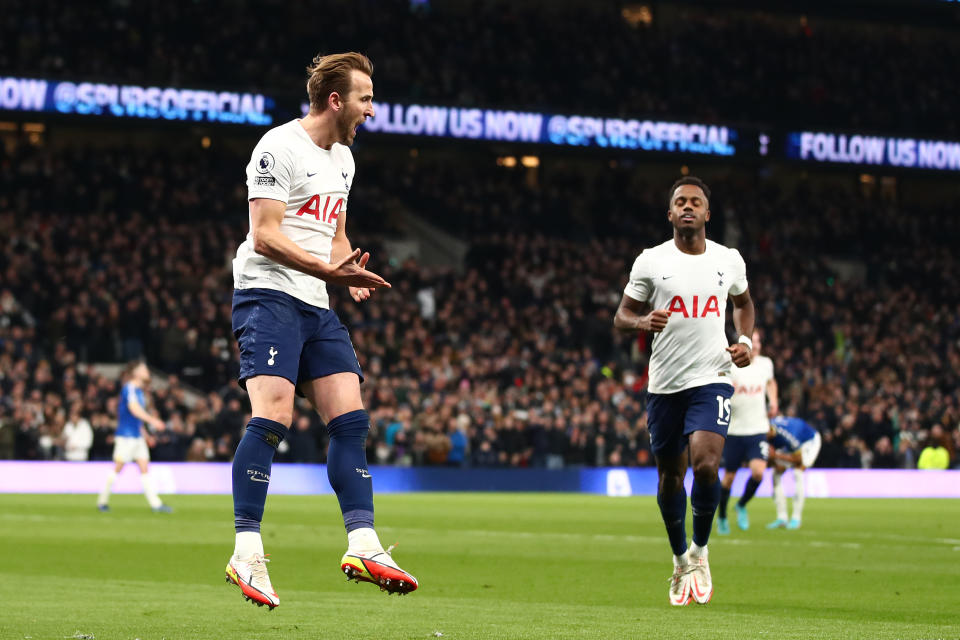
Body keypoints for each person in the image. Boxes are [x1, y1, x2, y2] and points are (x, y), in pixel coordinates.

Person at [225, 52, 416, 611]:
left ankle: (364, 543)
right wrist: (328, 271)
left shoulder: (344, 160)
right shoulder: (277, 147)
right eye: (365, 98)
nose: (371, 110)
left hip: (315, 299)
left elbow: (332, 231)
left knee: (351, 420)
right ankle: (247, 550)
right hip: (267, 294)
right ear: (336, 101)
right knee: (273, 417)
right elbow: (264, 235)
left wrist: (345, 269)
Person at [614, 176, 754, 606]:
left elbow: (743, 304)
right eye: (680, 202)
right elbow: (622, 315)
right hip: (664, 384)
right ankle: (679, 558)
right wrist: (642, 323)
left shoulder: (728, 259)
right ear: (670, 213)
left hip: (712, 375)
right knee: (670, 476)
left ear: (708, 213)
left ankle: (700, 549)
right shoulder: (651, 262)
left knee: (707, 465)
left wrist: (745, 341)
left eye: (695, 202)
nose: (688, 207)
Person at [716, 329, 778, 534]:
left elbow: (771, 382)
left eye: (759, 341)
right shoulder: (731, 365)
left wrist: (774, 402)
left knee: (759, 473)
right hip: (735, 430)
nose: (757, 345)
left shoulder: (766, 364)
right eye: (754, 342)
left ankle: (741, 505)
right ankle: (722, 515)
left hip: (758, 428)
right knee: (729, 478)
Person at [96, 361, 173, 513]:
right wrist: (153, 420)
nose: (146, 371)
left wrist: (145, 435)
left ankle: (156, 504)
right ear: (136, 372)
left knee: (145, 469)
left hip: (136, 436)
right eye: (144, 369)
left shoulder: (139, 391)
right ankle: (102, 500)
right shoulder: (129, 388)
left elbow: (136, 418)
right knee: (118, 468)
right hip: (126, 437)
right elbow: (134, 409)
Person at [766, 415, 822, 529]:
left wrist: (776, 456)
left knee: (798, 473)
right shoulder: (765, 432)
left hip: (809, 441)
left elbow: (798, 459)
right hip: (788, 446)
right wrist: (775, 461)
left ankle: (796, 518)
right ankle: (782, 518)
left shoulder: (788, 436)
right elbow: (769, 461)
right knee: (775, 474)